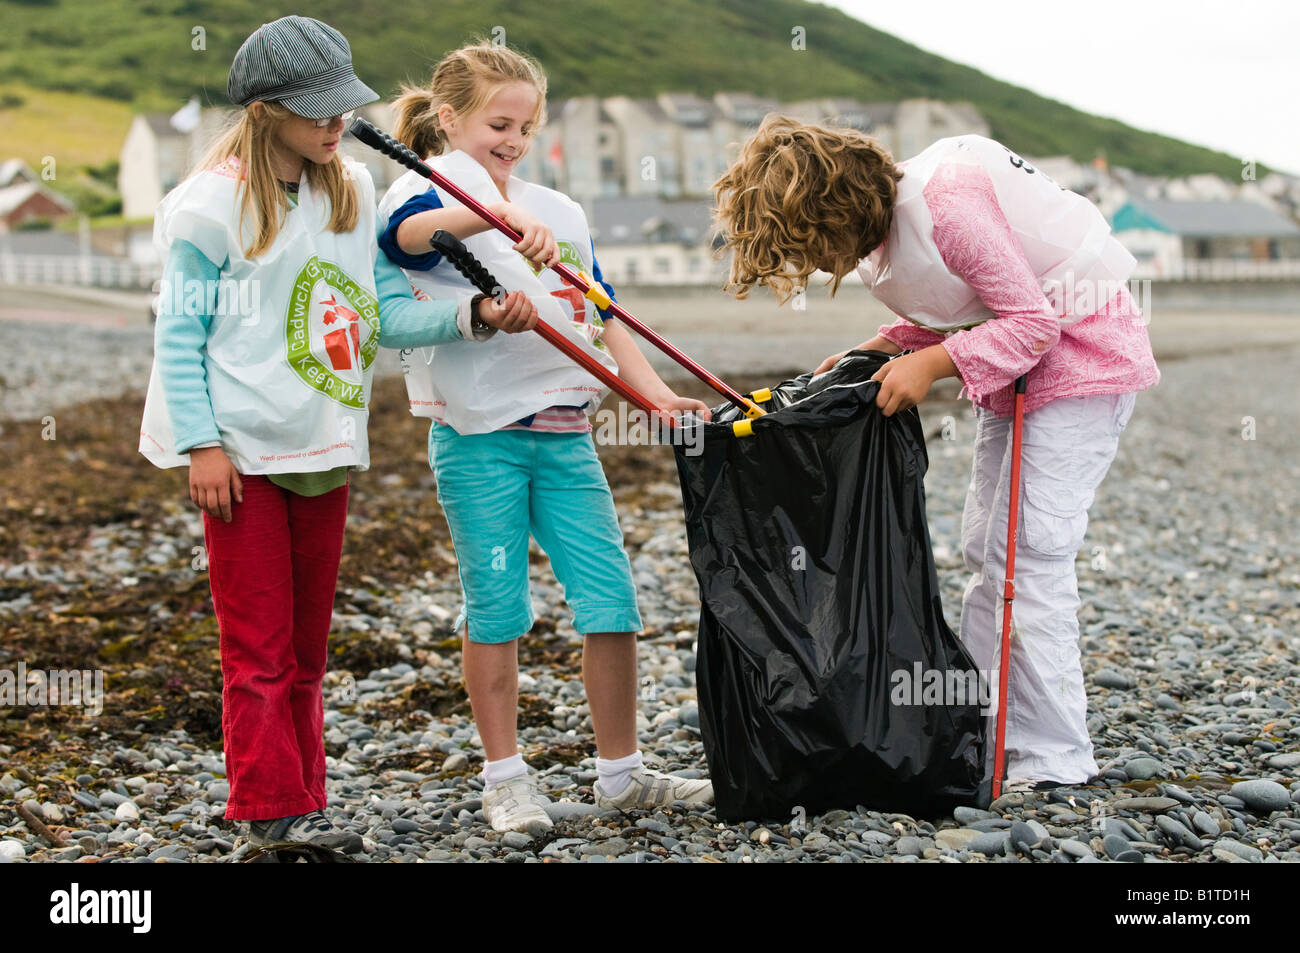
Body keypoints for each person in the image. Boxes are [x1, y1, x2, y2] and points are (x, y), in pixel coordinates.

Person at [138, 16, 539, 852]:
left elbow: (378, 313)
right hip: (242, 457)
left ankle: (302, 799)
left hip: (325, 447)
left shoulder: (347, 189)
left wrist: (470, 315)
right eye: (317, 110)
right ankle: (266, 808)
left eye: (341, 108)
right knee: (258, 648)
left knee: (309, 649)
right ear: (264, 107)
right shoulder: (210, 205)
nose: (336, 123)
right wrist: (200, 444)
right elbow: (176, 336)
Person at [711, 115, 1159, 790]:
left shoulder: (946, 206)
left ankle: (1055, 753)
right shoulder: (891, 227)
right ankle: (987, 726)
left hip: (1083, 357)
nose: (817, 265)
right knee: (987, 545)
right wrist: (886, 346)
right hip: (1020, 372)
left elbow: (1032, 319)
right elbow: (950, 300)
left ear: (835, 207)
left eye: (813, 245)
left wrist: (934, 366)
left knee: (1030, 550)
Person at [378, 41, 715, 833]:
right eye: (499, 124)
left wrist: (656, 393)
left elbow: (602, 313)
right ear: (450, 117)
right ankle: (506, 779)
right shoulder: (420, 189)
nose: (513, 141)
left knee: (613, 603)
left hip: (566, 435)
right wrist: (498, 216)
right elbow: (407, 241)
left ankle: (622, 774)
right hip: (477, 436)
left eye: (526, 127)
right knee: (496, 609)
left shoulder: (559, 212)